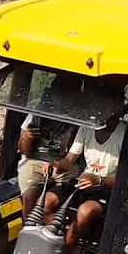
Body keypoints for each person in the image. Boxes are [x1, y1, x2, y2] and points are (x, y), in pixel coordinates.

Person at [45, 109, 126, 254]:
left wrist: (98, 180)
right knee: (46, 201)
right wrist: (55, 165)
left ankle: (66, 253)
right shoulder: (87, 127)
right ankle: (56, 242)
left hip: (108, 188)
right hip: (83, 182)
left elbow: (125, 178)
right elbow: (69, 160)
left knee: (85, 211)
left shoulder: (125, 134)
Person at [16, 75, 86, 218]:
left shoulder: (80, 119)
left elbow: (74, 156)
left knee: (51, 203)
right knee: (30, 199)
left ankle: (52, 236)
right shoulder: (38, 114)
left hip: (65, 164)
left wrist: (72, 130)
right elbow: (23, 150)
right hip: (34, 161)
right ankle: (28, 232)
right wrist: (27, 137)